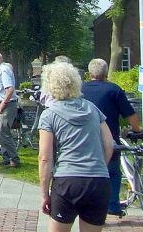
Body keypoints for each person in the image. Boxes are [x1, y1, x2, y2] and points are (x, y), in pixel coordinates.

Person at [38, 62, 115, 232]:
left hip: (68, 181)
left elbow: (45, 157)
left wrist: (45, 194)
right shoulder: (93, 109)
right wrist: (99, 166)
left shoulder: (49, 115)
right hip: (98, 181)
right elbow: (109, 144)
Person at [82, 58, 143, 217]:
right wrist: (138, 130)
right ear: (106, 72)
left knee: (86, 171)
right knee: (112, 172)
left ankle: (87, 204)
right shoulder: (114, 90)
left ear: (90, 72)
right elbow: (130, 115)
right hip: (108, 138)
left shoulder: (80, 89)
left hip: (84, 139)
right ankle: (112, 205)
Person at [0, 54, 21, 167]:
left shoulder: (3, 70)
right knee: (1, 132)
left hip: (6, 105)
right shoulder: (2, 70)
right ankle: (6, 159)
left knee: (4, 133)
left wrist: (3, 104)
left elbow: (10, 89)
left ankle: (15, 159)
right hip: (2, 104)